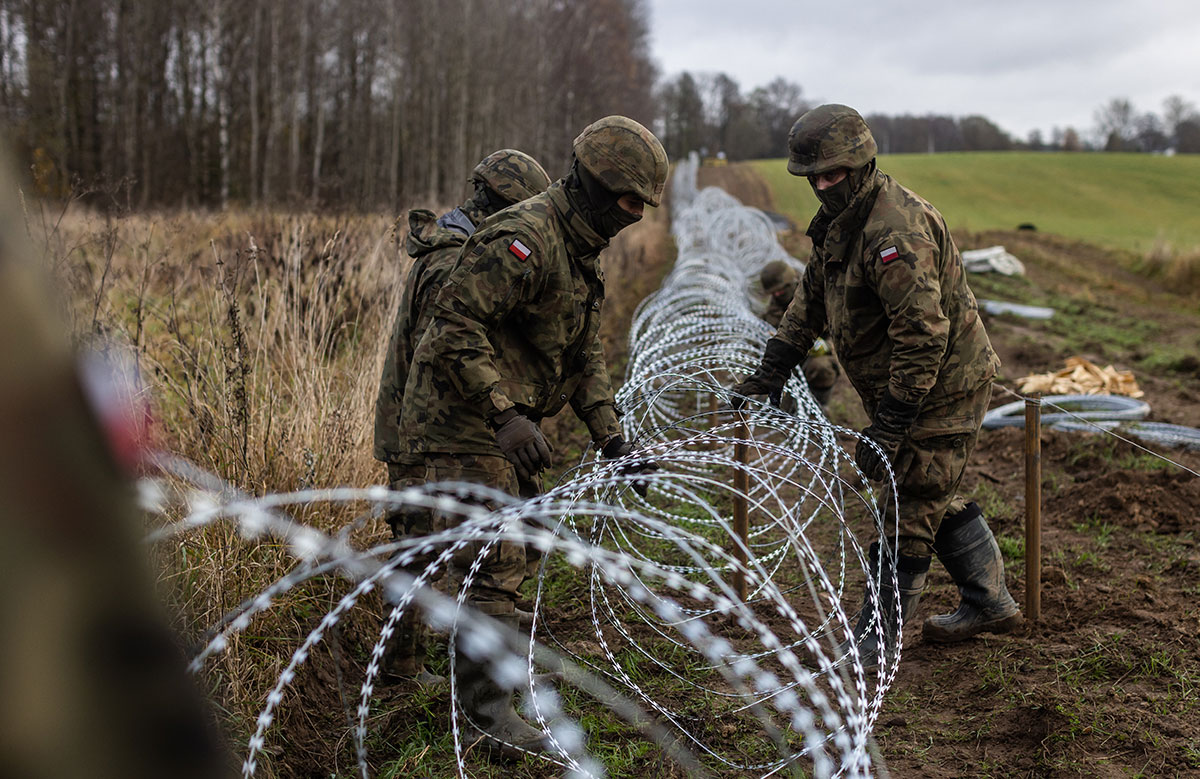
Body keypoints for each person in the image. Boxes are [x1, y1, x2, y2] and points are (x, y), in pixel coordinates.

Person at [395, 115, 667, 758]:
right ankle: (488, 718)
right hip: (461, 421)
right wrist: (503, 415)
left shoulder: (578, 248)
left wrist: (611, 435)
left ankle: (490, 684)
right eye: (629, 200)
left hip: (500, 423)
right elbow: (451, 329)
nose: (633, 215)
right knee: (496, 564)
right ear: (596, 184)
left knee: (510, 558)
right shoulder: (525, 236)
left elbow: (582, 355)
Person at [730, 104, 1022, 668]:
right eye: (811, 177)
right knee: (931, 488)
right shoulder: (843, 223)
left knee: (907, 501)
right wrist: (770, 371)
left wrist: (888, 426)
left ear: (861, 165)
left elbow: (923, 338)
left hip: (941, 383)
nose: (820, 185)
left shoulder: (894, 232)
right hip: (901, 381)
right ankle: (991, 602)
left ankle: (877, 641)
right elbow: (808, 301)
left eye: (831, 174)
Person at [373, 149, 551, 685]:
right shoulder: (452, 260)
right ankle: (399, 670)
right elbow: (448, 350)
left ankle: (435, 649)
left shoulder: (459, 250)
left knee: (432, 544)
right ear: (499, 207)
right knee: (419, 547)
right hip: (421, 431)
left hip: (430, 427)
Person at [758, 259, 841, 409]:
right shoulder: (772, 311)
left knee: (822, 367)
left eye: (781, 290)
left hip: (811, 357)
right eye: (773, 293)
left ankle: (819, 406)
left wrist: (826, 345)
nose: (777, 294)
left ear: (791, 282)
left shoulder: (816, 298)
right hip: (785, 362)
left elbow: (842, 335)